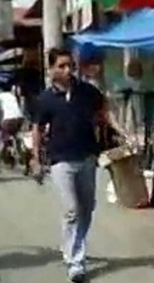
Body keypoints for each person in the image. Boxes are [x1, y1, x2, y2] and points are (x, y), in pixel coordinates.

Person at [31, 47, 118, 283]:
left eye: (70, 65)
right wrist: (36, 159)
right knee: (71, 210)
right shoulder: (45, 99)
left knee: (87, 208)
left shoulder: (87, 92)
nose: (67, 70)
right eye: (61, 66)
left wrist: (117, 131)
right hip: (60, 160)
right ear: (51, 69)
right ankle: (75, 261)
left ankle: (71, 245)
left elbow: (104, 109)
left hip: (88, 157)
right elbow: (37, 130)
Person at [0, 80, 26, 168]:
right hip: (19, 118)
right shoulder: (12, 95)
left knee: (2, 142)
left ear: (0, 89)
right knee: (18, 140)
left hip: (8, 120)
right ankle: (23, 161)